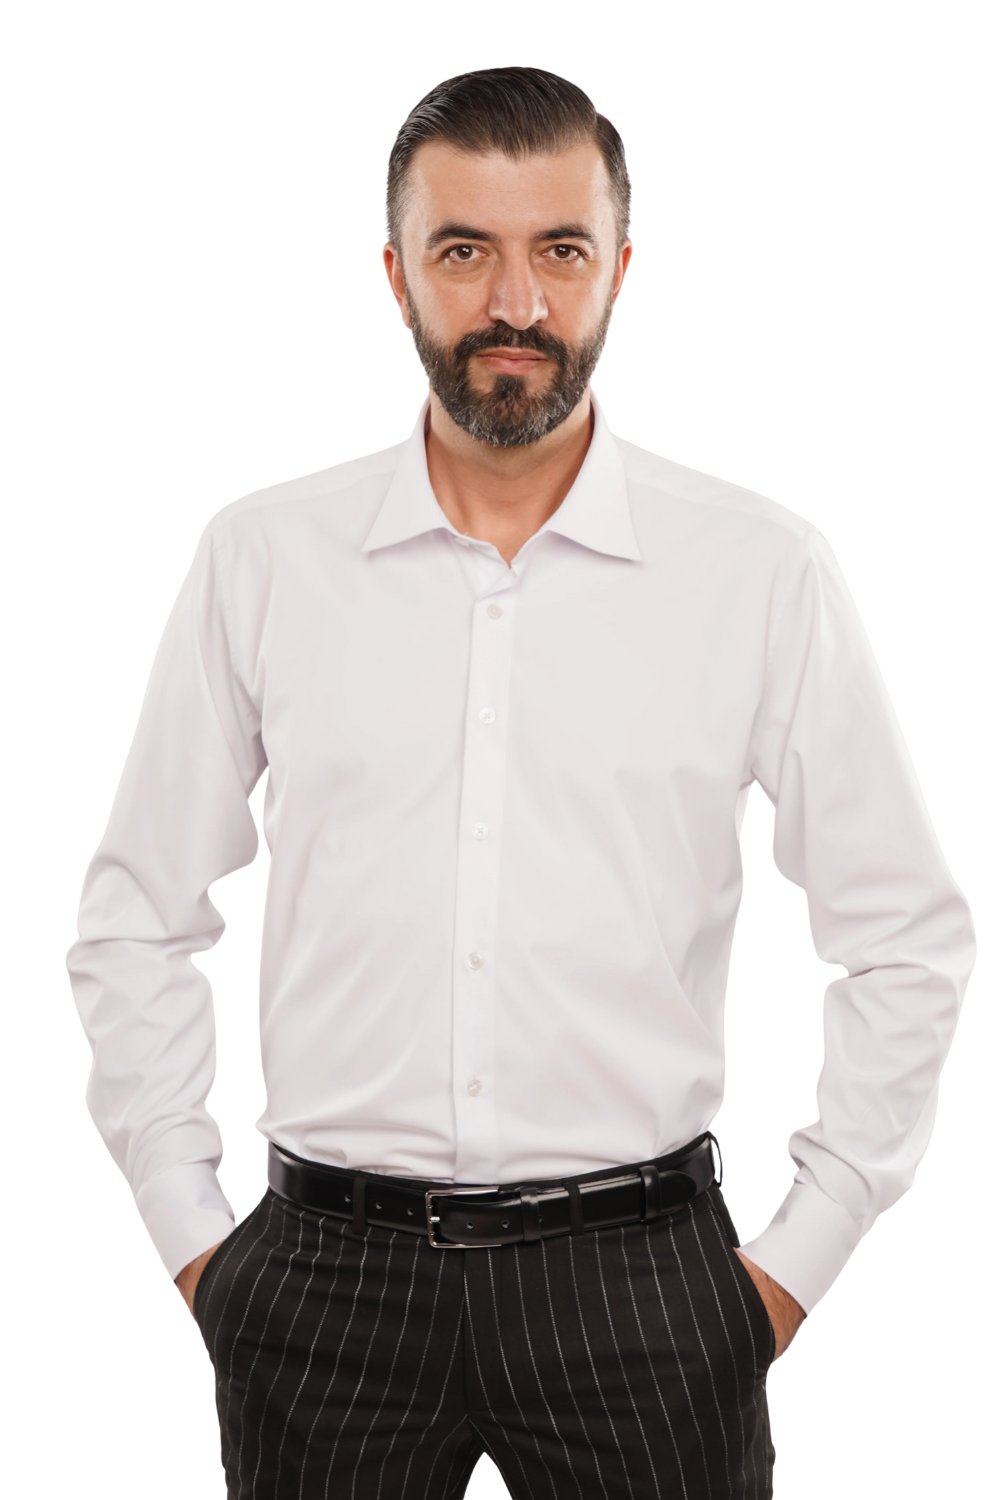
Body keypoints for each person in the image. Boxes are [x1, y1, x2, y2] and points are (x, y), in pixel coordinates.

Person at [68, 66, 975, 1500]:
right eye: (462, 250)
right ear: (395, 275)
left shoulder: (758, 571)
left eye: (560, 247)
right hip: (325, 1294)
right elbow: (136, 919)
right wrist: (199, 1244)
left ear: (620, 265)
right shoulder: (264, 559)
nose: (516, 302)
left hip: (646, 1292)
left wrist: (788, 1273)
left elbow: (906, 938)